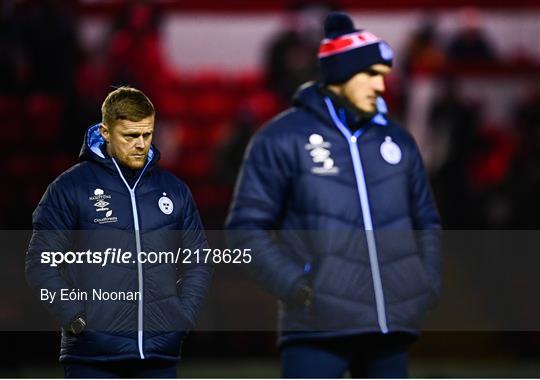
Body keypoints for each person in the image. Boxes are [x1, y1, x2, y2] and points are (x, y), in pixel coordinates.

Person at [226, 12, 440, 378]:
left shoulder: (397, 141)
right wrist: (298, 287)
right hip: (316, 331)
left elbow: (426, 221)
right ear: (341, 76)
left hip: (389, 331)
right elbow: (245, 230)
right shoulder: (282, 138)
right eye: (370, 74)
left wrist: (424, 283)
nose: (380, 86)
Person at [25, 86, 213, 378]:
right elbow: (40, 264)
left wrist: (183, 316)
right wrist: (75, 317)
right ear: (105, 132)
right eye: (130, 136)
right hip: (92, 357)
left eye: (147, 134)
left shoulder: (174, 190)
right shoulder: (69, 188)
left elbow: (198, 261)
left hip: (158, 356)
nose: (141, 144)